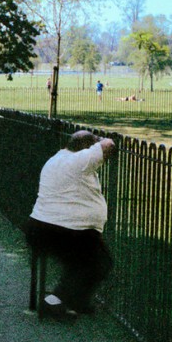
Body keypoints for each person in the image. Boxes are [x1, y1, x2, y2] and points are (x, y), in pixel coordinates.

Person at [25, 130, 116, 319]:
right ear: (85, 148)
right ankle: (53, 301)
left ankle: (76, 301)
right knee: (101, 262)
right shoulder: (80, 161)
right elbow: (109, 145)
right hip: (62, 232)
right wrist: (102, 139)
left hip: (38, 229)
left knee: (81, 261)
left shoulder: (55, 159)